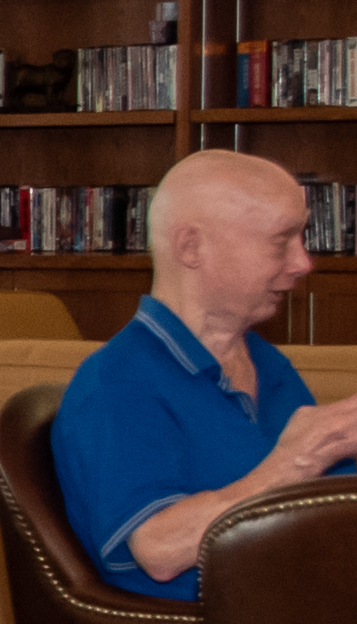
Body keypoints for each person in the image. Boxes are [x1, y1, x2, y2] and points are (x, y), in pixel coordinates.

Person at [53, 148, 357, 596]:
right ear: (191, 246)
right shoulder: (118, 382)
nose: (303, 263)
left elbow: (320, 509)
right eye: (281, 241)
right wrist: (299, 459)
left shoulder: (265, 361)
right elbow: (159, 549)